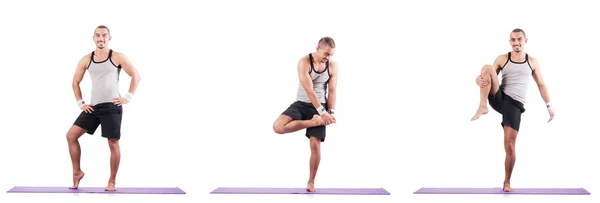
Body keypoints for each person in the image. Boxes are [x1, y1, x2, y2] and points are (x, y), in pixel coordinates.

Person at [471, 28, 555, 192]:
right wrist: (477, 80)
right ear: (509, 41)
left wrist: (549, 106)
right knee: (487, 67)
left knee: (509, 145)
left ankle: (507, 182)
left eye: (519, 39)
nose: (516, 42)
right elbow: (487, 78)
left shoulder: (532, 62)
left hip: (515, 105)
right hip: (500, 97)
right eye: (513, 40)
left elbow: (541, 85)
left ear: (525, 40)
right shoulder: (503, 58)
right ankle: (482, 106)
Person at [66, 25, 141, 191]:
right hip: (93, 107)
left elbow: (136, 76)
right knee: (71, 136)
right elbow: (75, 82)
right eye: (98, 36)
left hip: (112, 106)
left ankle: (112, 181)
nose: (101, 38)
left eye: (104, 35)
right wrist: (81, 103)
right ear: (93, 38)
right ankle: (77, 172)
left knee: (113, 142)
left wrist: (127, 97)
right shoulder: (87, 59)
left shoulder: (117, 56)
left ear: (109, 38)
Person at [272, 37, 339, 192]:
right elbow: (309, 90)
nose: (328, 58)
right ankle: (314, 122)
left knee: (315, 145)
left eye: (331, 55)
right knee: (278, 127)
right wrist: (321, 115)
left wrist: (330, 112)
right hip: (302, 104)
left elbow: (333, 90)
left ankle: (311, 182)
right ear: (318, 48)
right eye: (326, 54)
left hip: (320, 106)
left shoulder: (333, 66)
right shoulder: (304, 62)